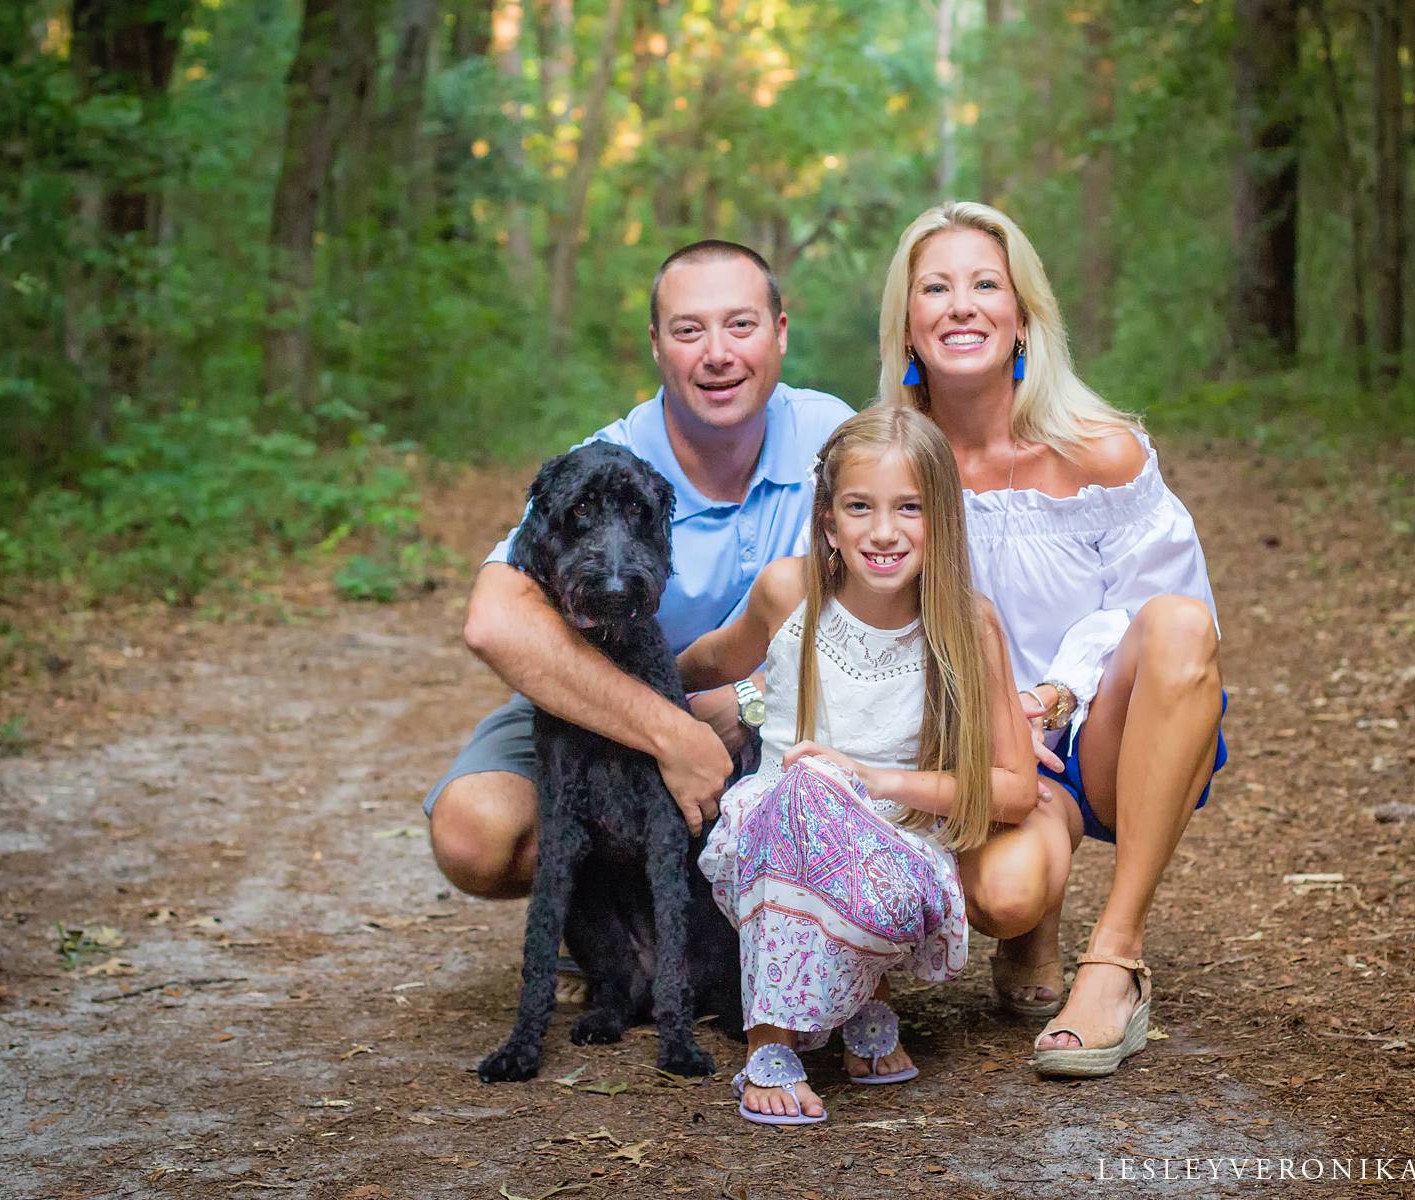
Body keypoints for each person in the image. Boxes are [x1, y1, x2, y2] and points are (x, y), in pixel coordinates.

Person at [875, 201, 1227, 1078]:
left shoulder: (1102, 453)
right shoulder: (887, 467)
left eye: (985, 284)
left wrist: (1054, 693)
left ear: (1023, 315)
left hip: (1096, 731)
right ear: (909, 328)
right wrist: (991, 721)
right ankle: (1032, 923)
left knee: (1181, 627)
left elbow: (1160, 615)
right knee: (1003, 894)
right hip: (980, 751)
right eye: (936, 288)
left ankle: (1115, 960)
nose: (962, 305)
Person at [426, 240, 852, 901]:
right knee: (474, 833)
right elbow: (493, 621)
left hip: (786, 717)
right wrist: (670, 732)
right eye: (689, 330)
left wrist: (749, 701)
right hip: (609, 715)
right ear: (657, 345)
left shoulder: (832, 439)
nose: (717, 352)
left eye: (741, 324)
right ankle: (602, 916)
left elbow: (899, 602)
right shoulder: (607, 465)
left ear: (780, 333)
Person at [679, 405, 1042, 1123]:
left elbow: (1014, 791)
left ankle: (866, 995)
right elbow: (708, 660)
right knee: (804, 788)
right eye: (860, 507)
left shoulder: (968, 624)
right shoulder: (791, 592)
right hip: (767, 847)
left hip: (896, 859)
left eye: (909, 507)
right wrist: (659, 698)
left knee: (830, 788)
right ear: (828, 521)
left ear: (943, 517)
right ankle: (770, 1043)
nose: (883, 531)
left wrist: (872, 779)